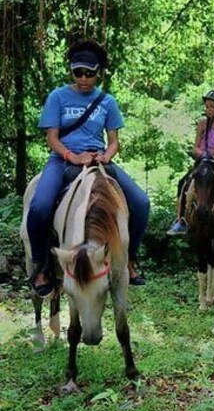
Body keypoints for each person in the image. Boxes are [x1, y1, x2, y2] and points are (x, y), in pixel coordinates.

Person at [26, 39, 150, 297]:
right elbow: (52, 138)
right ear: (71, 71)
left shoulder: (107, 101)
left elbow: (114, 141)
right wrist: (72, 156)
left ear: (98, 73)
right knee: (39, 208)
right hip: (62, 160)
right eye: (78, 73)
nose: (83, 78)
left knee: (141, 203)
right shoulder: (57, 97)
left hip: (98, 161)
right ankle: (41, 266)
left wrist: (105, 155)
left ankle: (130, 258)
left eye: (89, 73)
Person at [167, 90, 214, 235]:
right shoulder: (202, 124)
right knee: (183, 182)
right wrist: (204, 154)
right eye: (207, 106)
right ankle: (181, 219)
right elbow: (195, 147)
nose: (208, 109)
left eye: (212, 106)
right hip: (204, 161)